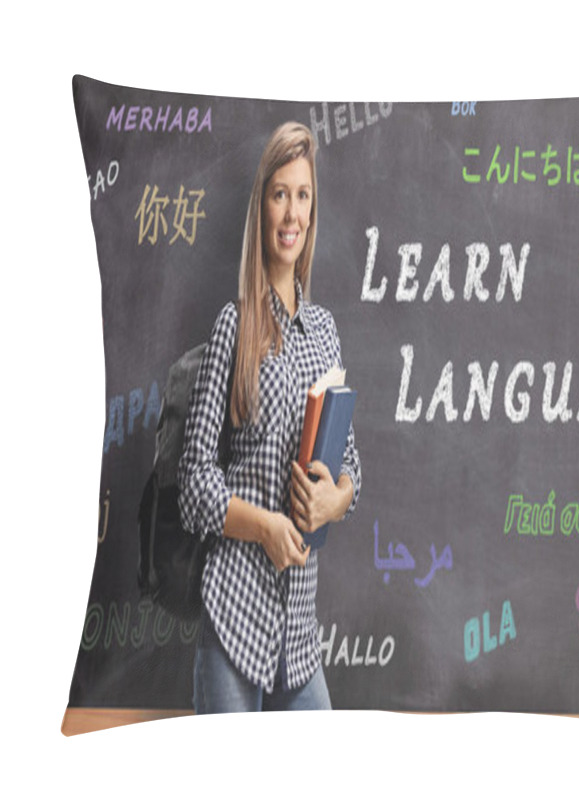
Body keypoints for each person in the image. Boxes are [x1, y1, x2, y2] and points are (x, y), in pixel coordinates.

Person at [177, 121, 361, 713]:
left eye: (303, 195)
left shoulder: (326, 332)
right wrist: (266, 527)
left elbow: (349, 461)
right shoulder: (235, 326)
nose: (292, 213)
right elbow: (194, 485)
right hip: (234, 618)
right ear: (263, 206)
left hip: (299, 634)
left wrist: (338, 498)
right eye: (280, 193)